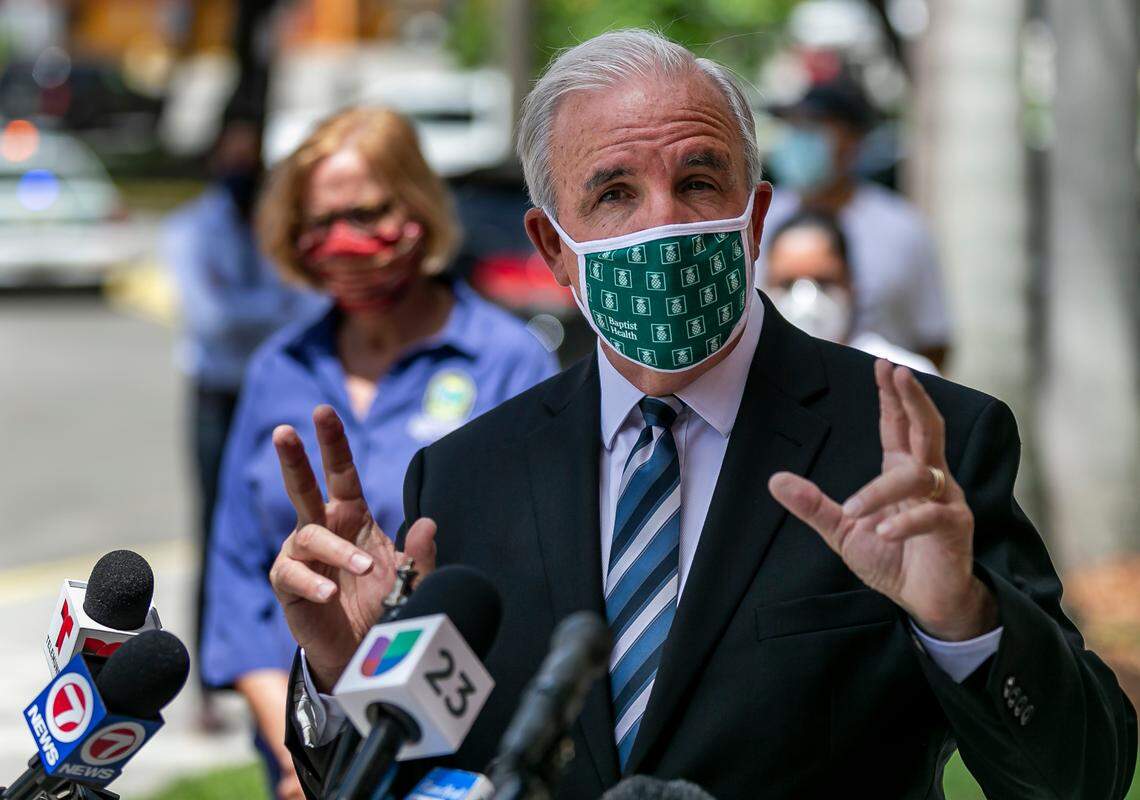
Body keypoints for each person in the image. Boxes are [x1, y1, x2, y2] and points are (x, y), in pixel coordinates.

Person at [273, 31, 1135, 800]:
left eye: (698, 180)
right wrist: (349, 679)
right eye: (613, 192)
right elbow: (425, 779)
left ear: (755, 217)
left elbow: (1081, 778)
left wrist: (965, 622)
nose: (666, 223)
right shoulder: (466, 478)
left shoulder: (913, 447)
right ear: (551, 248)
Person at [199, 106, 558, 799]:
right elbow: (237, 571)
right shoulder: (279, 368)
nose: (343, 242)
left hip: (459, 750)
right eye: (318, 224)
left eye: (366, 215)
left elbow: (539, 570)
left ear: (417, 208)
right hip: (304, 741)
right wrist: (295, 750)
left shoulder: (507, 363)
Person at [163, 114, 323, 730]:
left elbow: (301, 304)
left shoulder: (271, 228)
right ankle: (209, 683)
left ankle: (283, 670)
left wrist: (266, 310)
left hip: (270, 392)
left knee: (279, 525)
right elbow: (214, 320)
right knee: (215, 530)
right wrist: (274, 310)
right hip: (215, 395)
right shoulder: (190, 229)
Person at [757, 77, 951, 368]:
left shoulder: (902, 229)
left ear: (853, 141)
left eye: (813, 127)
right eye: (794, 127)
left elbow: (934, 339)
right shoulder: (759, 217)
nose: (799, 138)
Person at [764, 209, 938, 375]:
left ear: (850, 284)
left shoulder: (904, 374)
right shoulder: (749, 374)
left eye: (823, 282)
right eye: (786, 284)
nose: (805, 299)